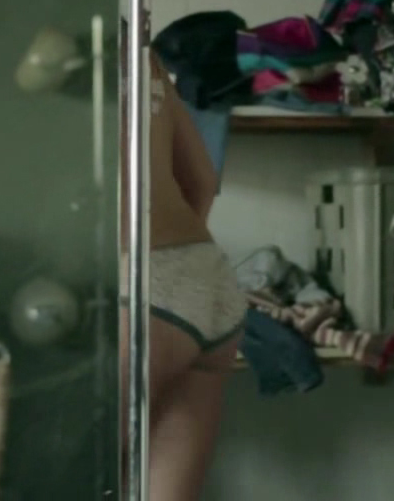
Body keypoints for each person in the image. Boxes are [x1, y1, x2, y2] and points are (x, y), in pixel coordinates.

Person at [120, 51, 246, 501]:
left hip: (144, 287)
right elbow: (202, 181)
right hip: (203, 275)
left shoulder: (58, 39)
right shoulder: (144, 57)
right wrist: (177, 273)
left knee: (58, 478)